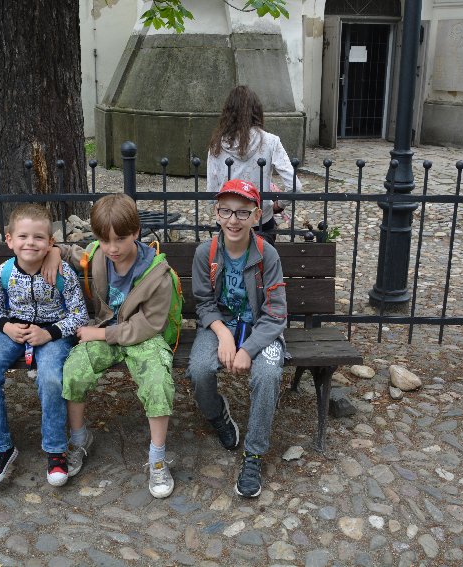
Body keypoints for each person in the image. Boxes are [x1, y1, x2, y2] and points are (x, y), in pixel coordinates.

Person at [60, 193, 177, 499]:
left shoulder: (157, 273)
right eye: (104, 239)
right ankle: (80, 438)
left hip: (142, 337)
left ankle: (158, 457)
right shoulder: (98, 254)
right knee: (74, 369)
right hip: (106, 331)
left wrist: (100, 335)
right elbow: (74, 254)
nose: (112, 248)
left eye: (120, 239)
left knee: (157, 382)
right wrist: (51, 253)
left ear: (136, 232)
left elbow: (148, 325)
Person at [187, 178, 288, 498]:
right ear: (216, 213)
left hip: (261, 327)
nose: (234, 220)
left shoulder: (267, 255)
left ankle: (254, 453)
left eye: (243, 212)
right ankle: (218, 414)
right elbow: (204, 303)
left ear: (257, 216)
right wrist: (224, 336)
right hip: (220, 325)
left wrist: (249, 349)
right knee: (199, 369)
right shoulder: (206, 253)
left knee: (268, 374)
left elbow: (276, 313)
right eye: (226, 211)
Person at [0, 204, 89, 489]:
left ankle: (56, 449)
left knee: (51, 378)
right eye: (23, 237)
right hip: (12, 332)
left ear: (50, 242)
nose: (30, 243)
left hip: (53, 333)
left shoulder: (63, 273)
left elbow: (79, 316)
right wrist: (6, 327)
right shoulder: (2, 273)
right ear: (9, 240)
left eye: (38, 237)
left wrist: (49, 333)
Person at [207, 85, 302, 242]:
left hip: (228, 224)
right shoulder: (271, 142)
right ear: (257, 112)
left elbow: (211, 195)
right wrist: (278, 205)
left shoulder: (217, 144)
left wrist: (228, 210)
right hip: (260, 221)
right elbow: (295, 187)